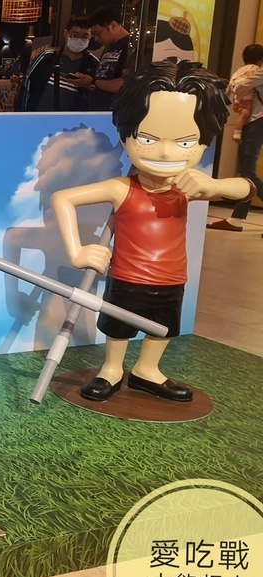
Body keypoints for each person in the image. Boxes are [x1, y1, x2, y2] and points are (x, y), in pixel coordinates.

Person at [52, 60, 254, 403]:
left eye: (186, 142)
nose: (164, 152)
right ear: (125, 135)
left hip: (172, 277)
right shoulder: (122, 188)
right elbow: (63, 198)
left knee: (163, 327)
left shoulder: (188, 187)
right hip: (128, 277)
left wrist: (215, 185)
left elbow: (246, 188)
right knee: (118, 326)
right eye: (147, 138)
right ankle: (112, 369)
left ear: (204, 142)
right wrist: (78, 251)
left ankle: (147, 371)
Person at [211, 44, 263, 233]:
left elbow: (239, 86)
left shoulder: (257, 71)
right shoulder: (256, 70)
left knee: (247, 172)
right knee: (246, 172)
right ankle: (237, 219)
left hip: (257, 122)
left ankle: (237, 219)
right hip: (254, 121)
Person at [18, 16, 99, 112]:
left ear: (90, 37)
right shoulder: (48, 56)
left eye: (84, 36)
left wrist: (89, 83)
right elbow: (27, 82)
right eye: (75, 35)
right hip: (40, 115)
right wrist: (22, 113)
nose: (79, 39)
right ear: (66, 34)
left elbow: (97, 94)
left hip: (73, 119)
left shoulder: (92, 63)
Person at [86, 6, 134, 111]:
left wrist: (94, 82)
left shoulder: (131, 47)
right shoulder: (109, 47)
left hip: (114, 112)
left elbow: (127, 83)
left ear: (113, 26)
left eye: (98, 33)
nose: (96, 39)